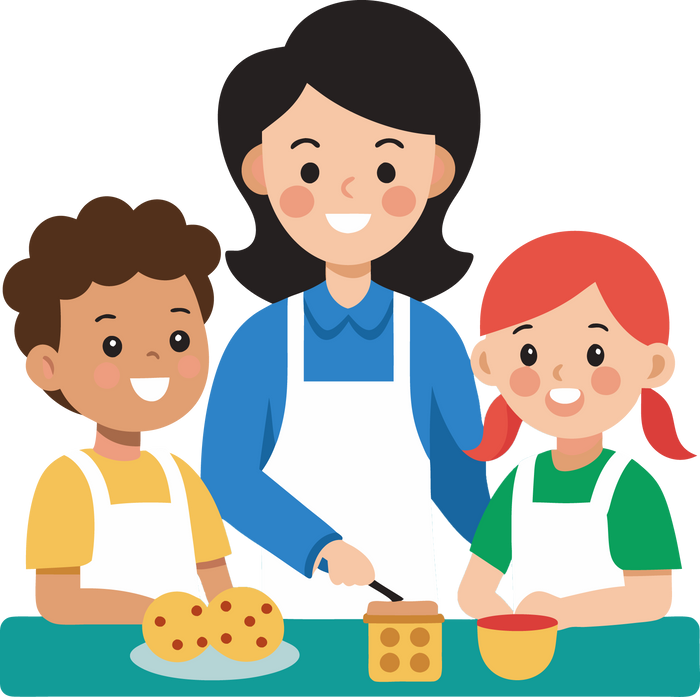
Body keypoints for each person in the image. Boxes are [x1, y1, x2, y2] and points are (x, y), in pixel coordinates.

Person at [200, 0, 489, 619]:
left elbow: (460, 481)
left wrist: (513, 559)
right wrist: (319, 546)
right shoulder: (259, 342)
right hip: (292, 618)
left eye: (386, 164)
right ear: (261, 171)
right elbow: (229, 475)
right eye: (310, 164)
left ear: (435, 171)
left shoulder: (433, 339)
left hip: (409, 613)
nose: (351, 189)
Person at [2, 195, 233, 624]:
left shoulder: (180, 477)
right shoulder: (66, 484)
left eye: (177, 340)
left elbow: (218, 585)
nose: (151, 359)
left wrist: (234, 620)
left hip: (188, 668)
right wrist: (158, 614)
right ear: (48, 367)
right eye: (113, 346)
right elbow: (56, 602)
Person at [458, 228, 692, 629]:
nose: (561, 372)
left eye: (595, 353)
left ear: (652, 366)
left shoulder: (632, 486)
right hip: (531, 669)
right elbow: (473, 591)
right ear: (488, 364)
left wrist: (562, 614)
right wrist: (510, 627)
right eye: (529, 353)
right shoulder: (519, 482)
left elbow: (653, 597)